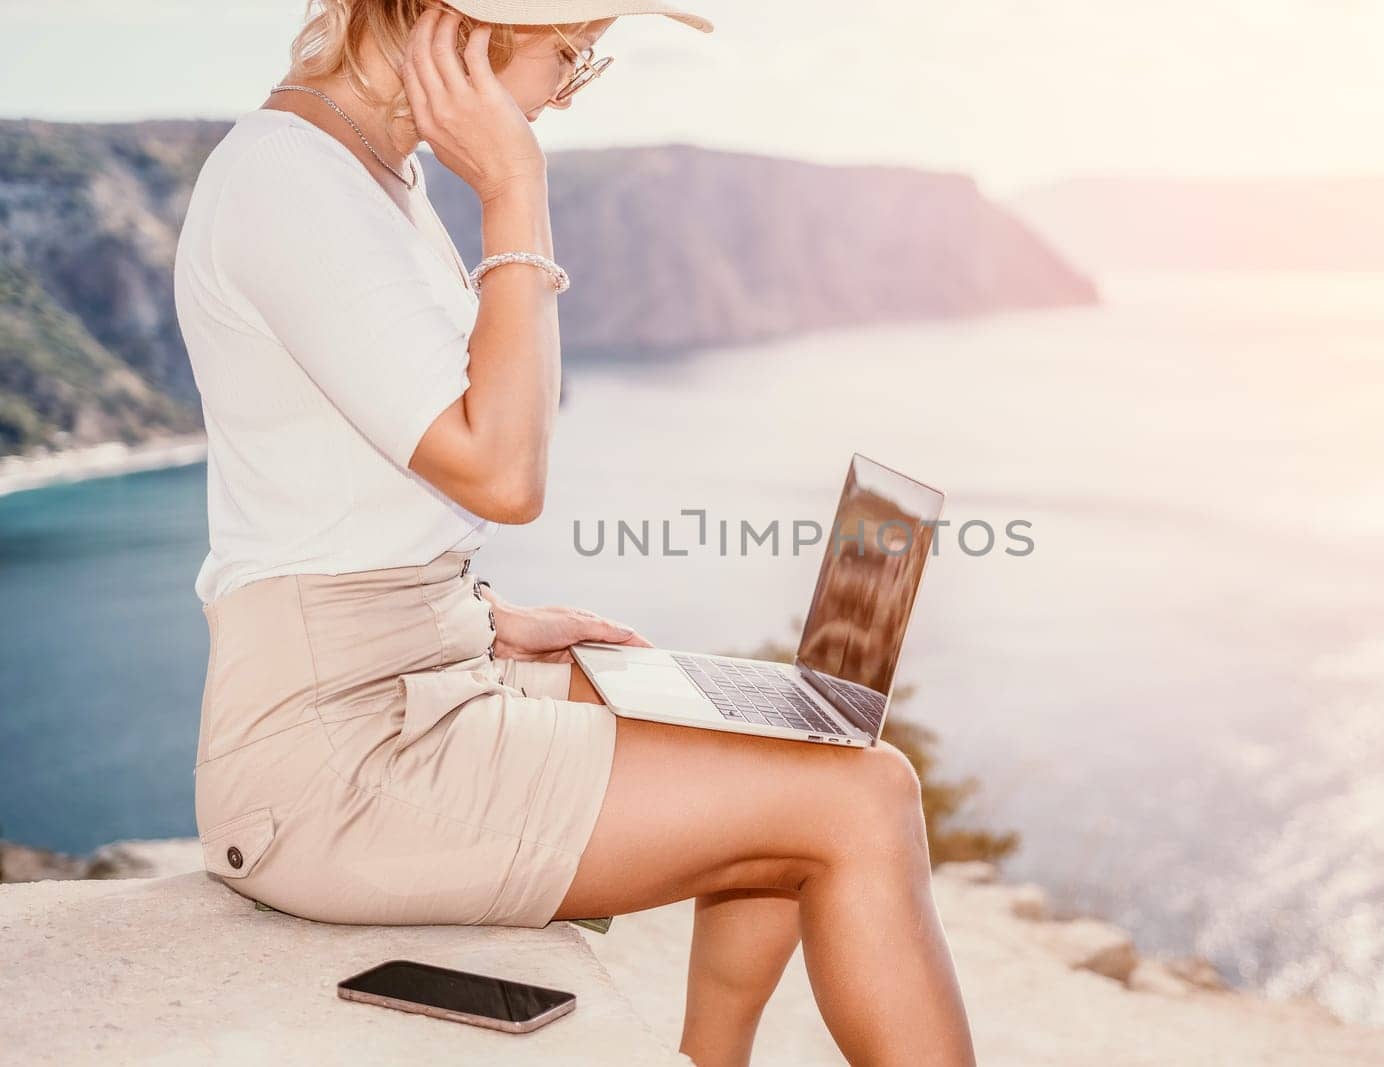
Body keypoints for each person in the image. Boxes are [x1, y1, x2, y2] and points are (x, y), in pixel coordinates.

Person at [172, 2, 976, 1063]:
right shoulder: (291, 182)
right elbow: (503, 472)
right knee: (862, 798)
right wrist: (514, 195)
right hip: (340, 765)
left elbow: (324, 489)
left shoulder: (369, 176)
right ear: (453, 24)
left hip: (421, 673)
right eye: (573, 53)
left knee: (806, 735)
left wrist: (485, 618)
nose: (565, 91)